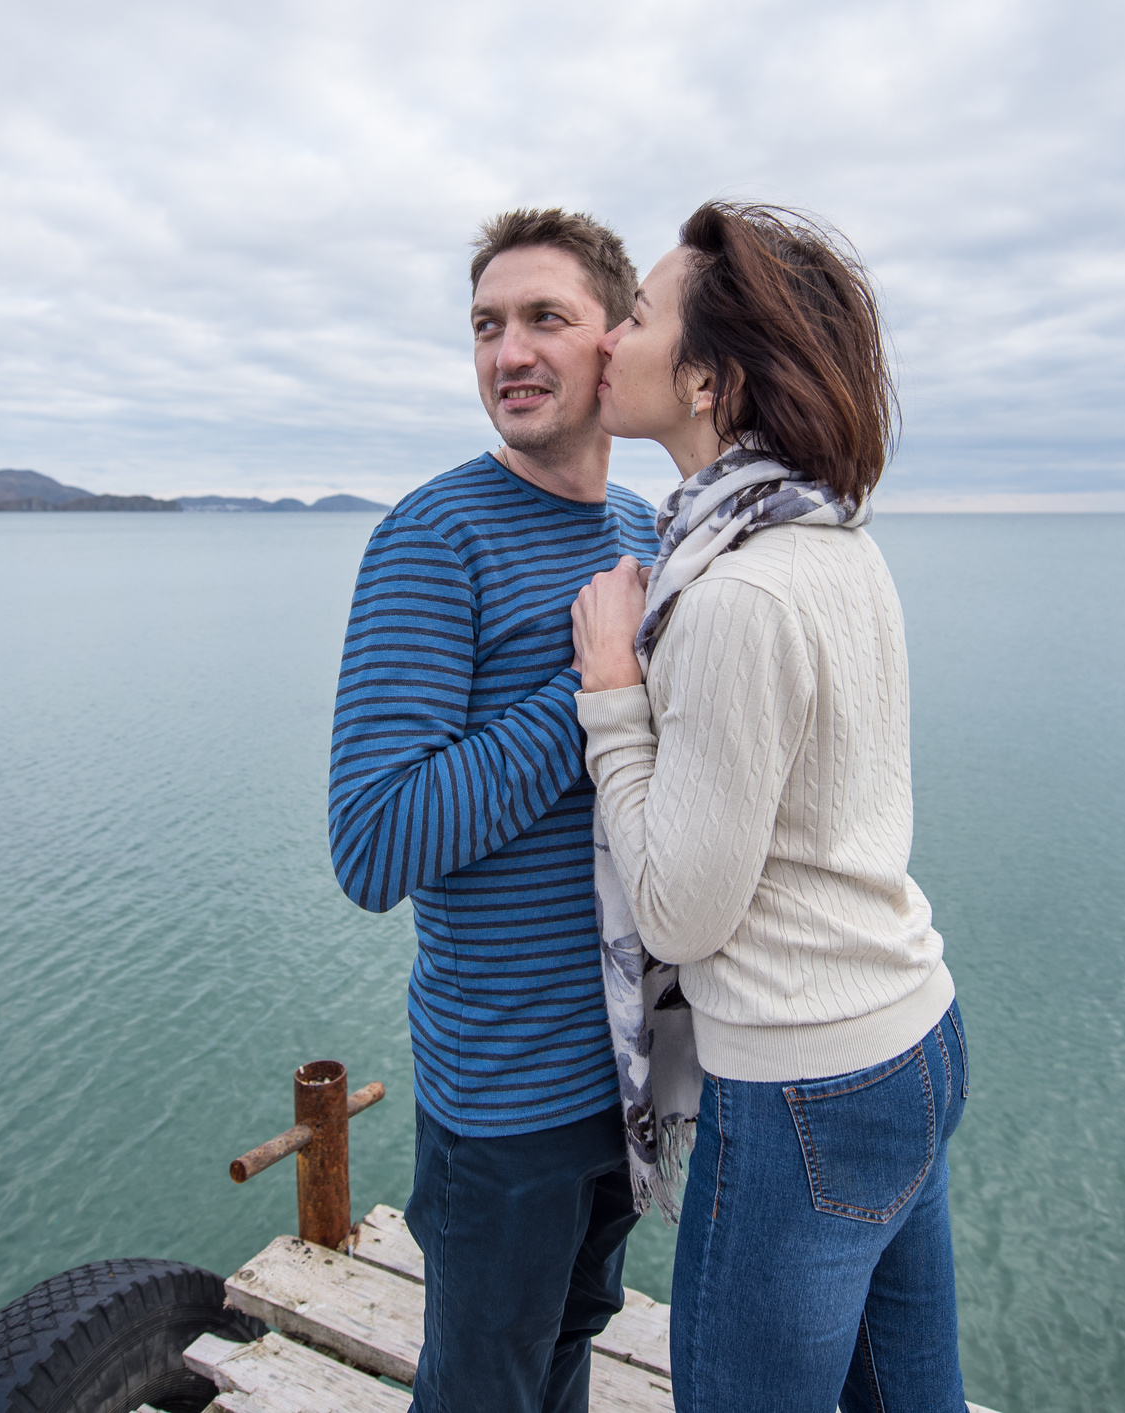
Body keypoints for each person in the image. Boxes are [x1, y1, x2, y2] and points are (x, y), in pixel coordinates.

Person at [570, 201, 968, 1413]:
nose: (605, 341)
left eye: (632, 315)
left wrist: (611, 699)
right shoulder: (832, 539)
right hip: (914, 1036)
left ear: (707, 379)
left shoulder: (736, 594)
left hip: (804, 1085)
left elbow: (684, 912)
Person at [328, 206, 662, 1413]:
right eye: (485, 325)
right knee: (485, 1389)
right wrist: (587, 689)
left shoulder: (642, 527)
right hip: (505, 1098)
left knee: (573, 1342)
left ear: (617, 341)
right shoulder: (433, 538)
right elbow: (371, 843)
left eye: (542, 319)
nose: (507, 351)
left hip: (625, 1065)